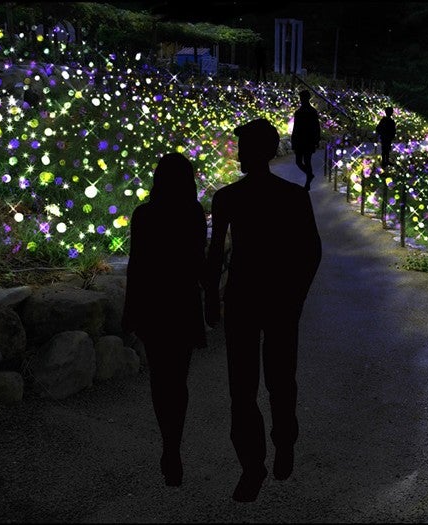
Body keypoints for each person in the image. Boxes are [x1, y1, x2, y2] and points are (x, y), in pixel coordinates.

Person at [205, 118, 322, 502]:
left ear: (259, 151)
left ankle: (257, 463)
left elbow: (213, 257)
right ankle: (272, 451)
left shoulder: (228, 198)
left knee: (250, 387)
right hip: (274, 301)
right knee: (276, 381)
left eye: (243, 147)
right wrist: (297, 297)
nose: (238, 154)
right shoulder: (291, 196)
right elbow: (311, 253)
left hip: (247, 300)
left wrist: (211, 299)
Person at [121, 152, 209, 487]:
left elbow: (137, 266)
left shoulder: (144, 215)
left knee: (160, 379)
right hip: (182, 304)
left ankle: (168, 445)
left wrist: (130, 313)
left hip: (154, 306)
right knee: (179, 379)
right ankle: (174, 444)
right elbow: (199, 261)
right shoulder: (193, 213)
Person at [290, 89, 321, 191]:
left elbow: (316, 127)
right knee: (302, 162)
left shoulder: (306, 112)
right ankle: (309, 176)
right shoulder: (303, 112)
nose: (301, 100)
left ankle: (308, 182)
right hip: (304, 140)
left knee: (305, 161)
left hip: (305, 140)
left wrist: (316, 140)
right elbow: (316, 127)